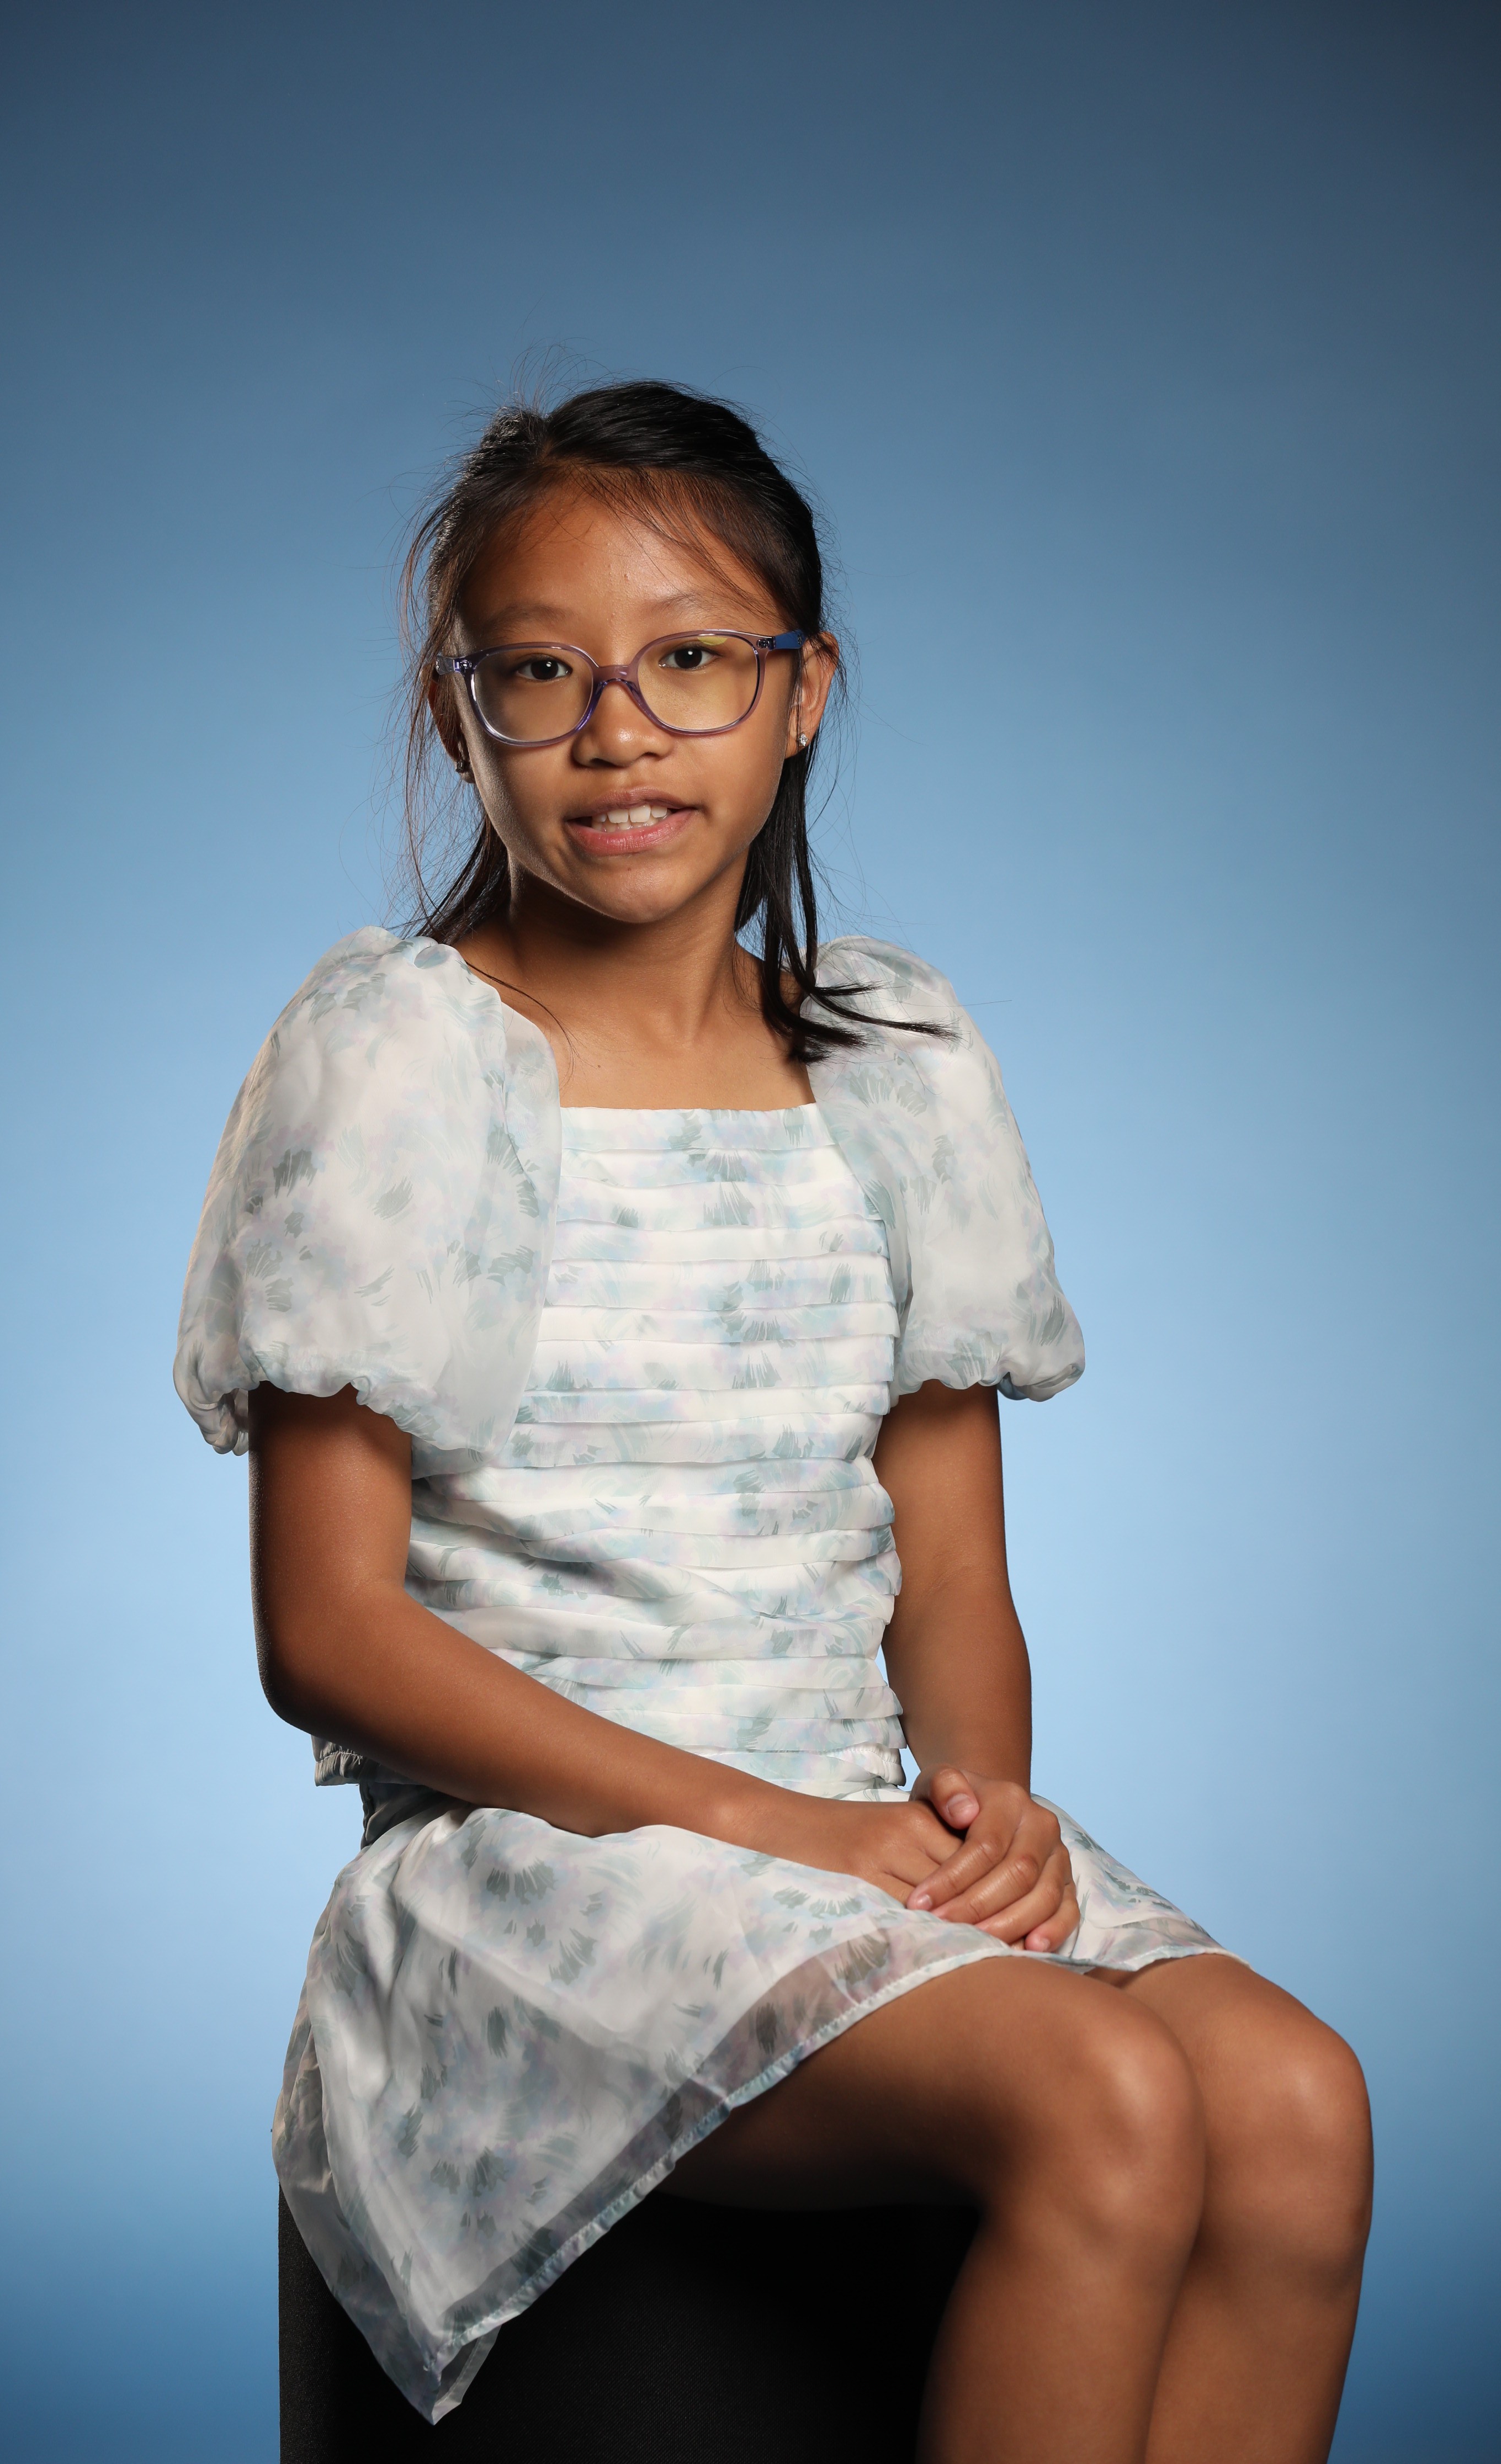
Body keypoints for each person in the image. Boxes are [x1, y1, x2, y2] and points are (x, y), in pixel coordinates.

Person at [174, 381, 1371, 2462]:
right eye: (540, 672)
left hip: (843, 1832)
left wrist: (980, 1815)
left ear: (803, 694)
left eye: (691, 661)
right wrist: (783, 1832)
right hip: (539, 1877)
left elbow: (954, 1573)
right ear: (462, 719)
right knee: (1099, 2096)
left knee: (1293, 2103)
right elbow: (329, 1636)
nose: (617, 732)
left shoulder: (892, 1063)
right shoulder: (404, 1062)